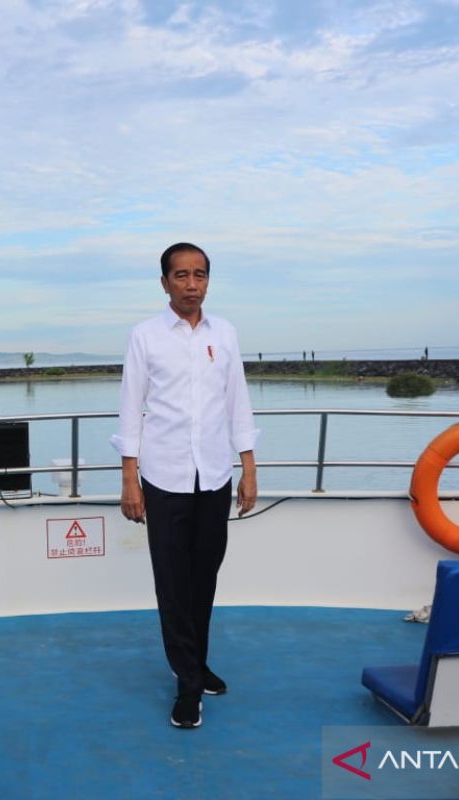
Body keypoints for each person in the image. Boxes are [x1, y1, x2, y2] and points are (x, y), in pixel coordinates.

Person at [111, 242, 259, 730]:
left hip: (215, 474)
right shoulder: (145, 336)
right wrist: (130, 478)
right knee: (173, 584)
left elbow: (237, 401)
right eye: (181, 276)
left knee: (205, 577)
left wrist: (248, 466)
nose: (191, 284)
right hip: (164, 477)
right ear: (165, 283)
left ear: (208, 281)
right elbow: (132, 407)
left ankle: (195, 663)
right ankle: (188, 685)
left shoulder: (226, 334)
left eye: (199, 275)